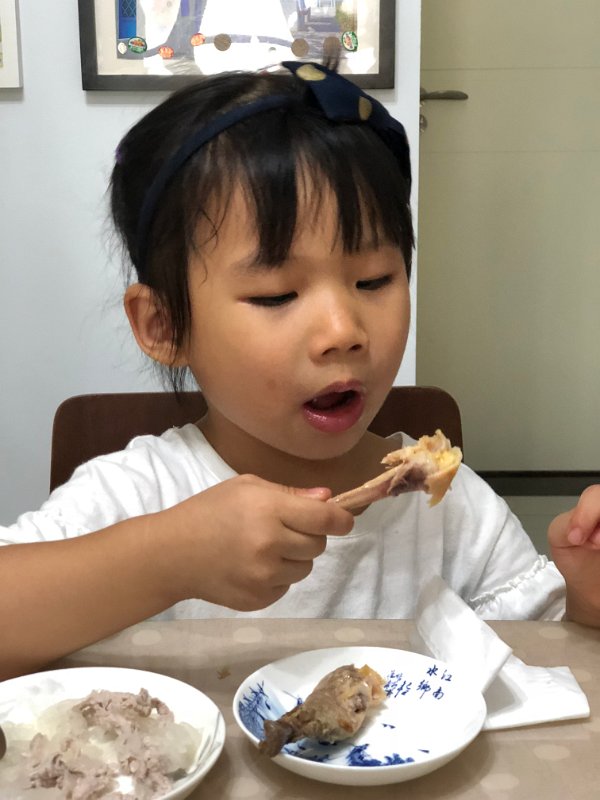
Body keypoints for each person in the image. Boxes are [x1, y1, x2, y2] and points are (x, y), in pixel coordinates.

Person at [1, 61, 599, 682]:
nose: (343, 330)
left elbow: (543, 671)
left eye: (374, 280)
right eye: (276, 295)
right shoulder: (138, 495)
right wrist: (167, 559)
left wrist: (587, 599)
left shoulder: (449, 511)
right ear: (166, 325)